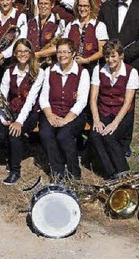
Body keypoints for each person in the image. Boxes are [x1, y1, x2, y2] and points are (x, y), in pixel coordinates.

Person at [97, 0, 139, 156]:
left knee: (128, 105)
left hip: (131, 62)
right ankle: (105, 135)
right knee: (106, 100)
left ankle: (124, 142)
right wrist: (111, 57)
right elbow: (101, 34)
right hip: (108, 63)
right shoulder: (106, 7)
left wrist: (123, 56)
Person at [0, 39, 44, 185]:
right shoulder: (9, 71)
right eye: (19, 51)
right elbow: (1, 96)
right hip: (11, 110)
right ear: (14, 53)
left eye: (26, 51)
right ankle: (13, 153)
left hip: (29, 113)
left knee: (14, 133)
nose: (22, 54)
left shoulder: (39, 72)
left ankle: (15, 170)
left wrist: (19, 122)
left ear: (31, 53)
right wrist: (3, 117)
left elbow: (30, 101)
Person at [38, 38, 90, 180]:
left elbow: (81, 101)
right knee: (45, 133)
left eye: (65, 52)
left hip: (73, 114)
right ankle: (57, 170)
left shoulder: (82, 73)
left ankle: (74, 172)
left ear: (73, 53)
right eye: (59, 52)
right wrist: (50, 115)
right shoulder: (50, 71)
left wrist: (65, 120)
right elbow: (43, 97)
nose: (62, 55)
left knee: (64, 135)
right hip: (52, 112)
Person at [89, 40, 139, 178]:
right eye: (107, 56)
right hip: (104, 110)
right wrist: (96, 121)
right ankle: (111, 173)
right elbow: (93, 99)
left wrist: (114, 124)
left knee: (110, 136)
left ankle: (124, 173)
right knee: (95, 135)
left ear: (121, 56)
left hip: (122, 114)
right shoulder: (98, 70)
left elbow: (127, 103)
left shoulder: (131, 72)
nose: (109, 60)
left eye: (113, 56)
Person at [63, 0, 109, 74]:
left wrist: (86, 60)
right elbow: (64, 47)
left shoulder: (99, 26)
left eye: (85, 6)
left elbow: (102, 51)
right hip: (71, 68)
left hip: (91, 69)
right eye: (80, 6)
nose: (82, 8)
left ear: (91, 7)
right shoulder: (70, 25)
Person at [26, 0, 62, 64]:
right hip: (30, 62)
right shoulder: (30, 22)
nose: (43, 6)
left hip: (49, 64)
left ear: (52, 5)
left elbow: (58, 47)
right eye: (40, 3)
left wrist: (38, 55)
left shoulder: (58, 23)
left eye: (46, 4)